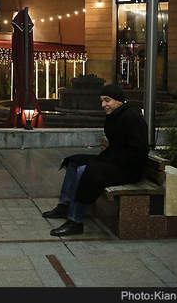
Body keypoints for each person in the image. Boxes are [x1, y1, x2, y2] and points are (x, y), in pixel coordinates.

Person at [42, 84, 148, 236]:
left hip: (128, 169)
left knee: (86, 171)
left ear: (118, 100)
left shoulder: (132, 117)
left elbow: (138, 151)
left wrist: (110, 160)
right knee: (74, 161)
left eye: (107, 100)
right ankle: (65, 206)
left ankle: (75, 221)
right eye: (102, 101)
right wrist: (108, 159)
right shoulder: (115, 115)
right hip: (114, 161)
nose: (103, 105)